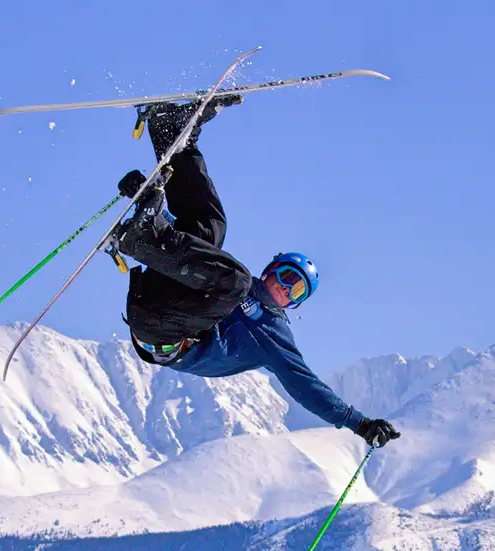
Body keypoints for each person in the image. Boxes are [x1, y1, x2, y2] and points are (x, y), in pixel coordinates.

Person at [113, 97, 400, 449]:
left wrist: (360, 423)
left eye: (295, 291)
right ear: (271, 270)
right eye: (285, 276)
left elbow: (305, 385)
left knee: (232, 277)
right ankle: (173, 134)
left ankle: (141, 238)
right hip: (160, 298)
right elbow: (181, 249)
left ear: (294, 305)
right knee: (210, 229)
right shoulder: (230, 285)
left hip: (165, 335)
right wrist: (146, 204)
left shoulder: (271, 332)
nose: (284, 288)